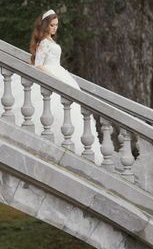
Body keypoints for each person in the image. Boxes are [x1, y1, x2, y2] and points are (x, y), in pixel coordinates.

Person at [23, 9, 103, 163]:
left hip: (59, 73)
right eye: (52, 25)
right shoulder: (45, 43)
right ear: (46, 25)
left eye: (56, 25)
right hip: (52, 74)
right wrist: (54, 78)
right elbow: (38, 64)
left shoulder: (50, 41)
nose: (54, 28)